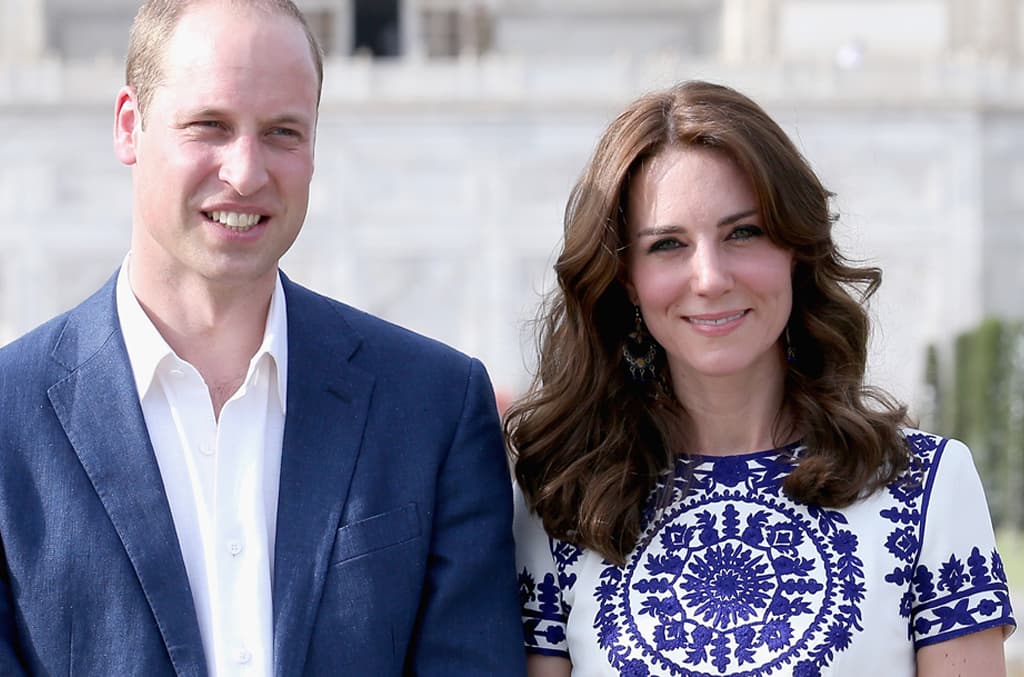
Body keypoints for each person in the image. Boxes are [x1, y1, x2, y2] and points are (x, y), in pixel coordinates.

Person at [0, 1, 525, 675]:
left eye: (282, 132)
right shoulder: (11, 417)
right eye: (210, 126)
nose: (246, 172)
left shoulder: (435, 407)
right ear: (130, 126)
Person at [505, 80, 1016, 676]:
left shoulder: (926, 489)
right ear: (626, 281)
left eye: (742, 232)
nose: (711, 277)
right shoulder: (561, 503)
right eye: (668, 244)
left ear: (796, 249)